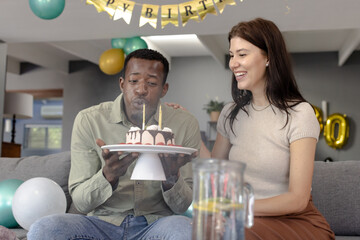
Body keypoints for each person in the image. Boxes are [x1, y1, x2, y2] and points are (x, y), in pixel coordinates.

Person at [27, 49, 201, 240]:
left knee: (187, 231)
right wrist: (108, 175)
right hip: (101, 223)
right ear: (122, 84)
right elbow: (81, 203)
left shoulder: (184, 124)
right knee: (44, 229)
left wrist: (171, 177)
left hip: (157, 223)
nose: (141, 89)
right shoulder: (90, 120)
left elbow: (182, 206)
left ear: (164, 89)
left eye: (151, 83)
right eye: (133, 81)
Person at [210, 18, 335, 239]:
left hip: (295, 221)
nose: (233, 63)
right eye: (231, 55)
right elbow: (212, 172)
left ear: (268, 57)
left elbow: (297, 199)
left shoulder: (300, 113)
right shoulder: (230, 113)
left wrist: (238, 207)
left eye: (242, 54)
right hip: (247, 219)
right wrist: (184, 127)